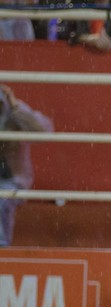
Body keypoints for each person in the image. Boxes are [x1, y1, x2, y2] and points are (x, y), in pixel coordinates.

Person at [0, 85, 53, 246]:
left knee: (2, 201)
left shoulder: (15, 110)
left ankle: (2, 251)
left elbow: (44, 131)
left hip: (12, 180)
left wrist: (16, 108)